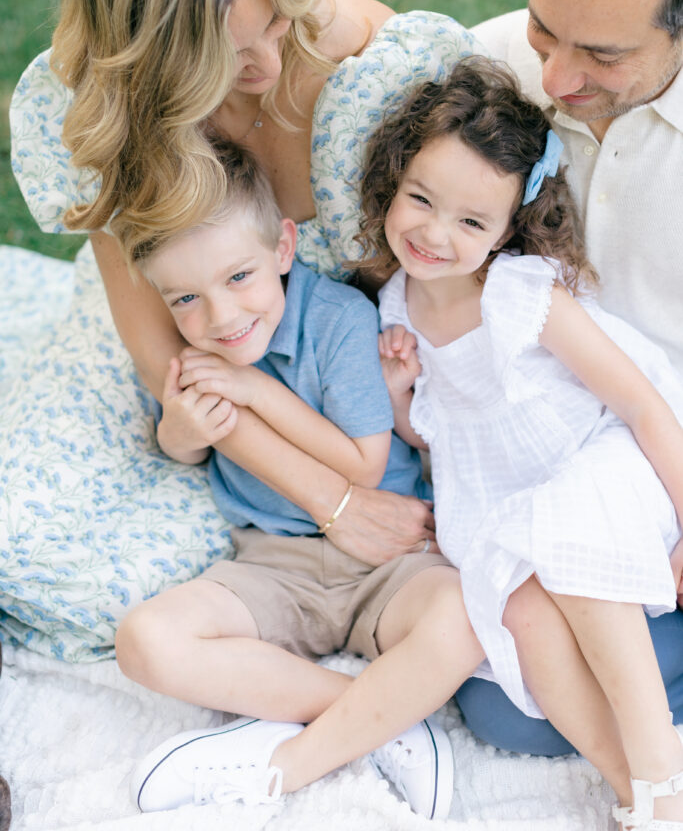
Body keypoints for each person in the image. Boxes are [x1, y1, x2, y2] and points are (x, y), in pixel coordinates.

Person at [9, 0, 484, 568]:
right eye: (227, 56)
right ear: (146, 57)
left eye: (274, 23)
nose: (265, 66)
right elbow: (163, 360)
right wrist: (336, 505)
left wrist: (361, 461)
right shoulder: (97, 112)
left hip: (351, 389)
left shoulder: (368, 63)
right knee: (31, 548)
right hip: (201, 383)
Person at [357, 55, 683, 829]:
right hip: (507, 495)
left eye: (470, 222)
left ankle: (661, 778)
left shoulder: (518, 294)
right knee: (520, 616)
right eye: (420, 201)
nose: (434, 234)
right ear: (391, 184)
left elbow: (638, 404)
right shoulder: (394, 303)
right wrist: (401, 391)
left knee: (566, 536)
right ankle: (630, 787)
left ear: (509, 230)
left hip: (604, 463)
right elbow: (431, 430)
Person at [115, 140, 486, 819]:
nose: (221, 319)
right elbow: (182, 452)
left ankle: (308, 739)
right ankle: (376, 719)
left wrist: (250, 391)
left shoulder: (336, 320)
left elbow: (362, 464)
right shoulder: (198, 354)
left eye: (239, 278)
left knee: (467, 617)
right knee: (145, 640)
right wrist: (182, 428)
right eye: (186, 299)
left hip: (386, 557)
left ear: (282, 249)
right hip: (272, 564)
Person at [458, 0, 683, 762]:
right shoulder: (487, 65)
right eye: (546, 25)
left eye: (600, 52)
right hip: (552, 446)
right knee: (502, 706)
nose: (552, 80)